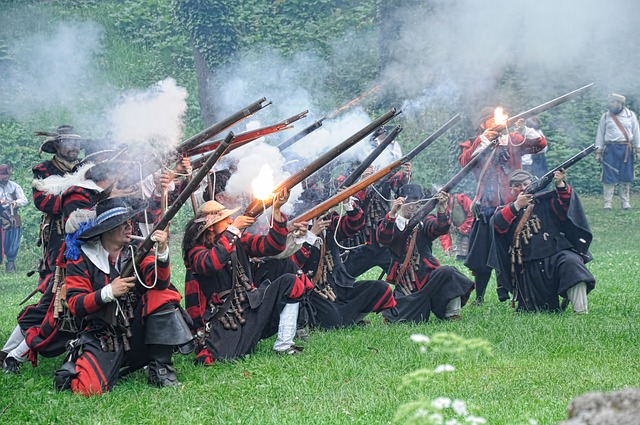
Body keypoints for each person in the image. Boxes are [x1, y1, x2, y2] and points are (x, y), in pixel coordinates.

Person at [53, 197, 192, 395]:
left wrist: (161, 251)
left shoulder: (137, 251)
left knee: (164, 295)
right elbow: (76, 304)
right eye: (123, 224)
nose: (130, 227)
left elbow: (159, 282)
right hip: (104, 334)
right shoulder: (82, 258)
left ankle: (161, 369)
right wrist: (109, 292)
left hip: (137, 328)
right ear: (109, 229)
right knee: (88, 388)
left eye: (130, 223)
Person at [183, 189, 313, 365]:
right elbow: (210, 263)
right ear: (211, 226)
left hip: (253, 305)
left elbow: (272, 246)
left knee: (291, 282)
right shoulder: (196, 251)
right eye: (225, 219)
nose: (230, 220)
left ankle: (284, 344)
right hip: (227, 318)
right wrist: (234, 229)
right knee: (222, 358)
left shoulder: (237, 239)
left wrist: (276, 210)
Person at [459, 107, 547, 305]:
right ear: (483, 125)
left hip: (512, 207)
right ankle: (480, 298)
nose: (497, 122)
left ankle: (521, 292)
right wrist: (484, 141)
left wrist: (524, 130)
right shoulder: (476, 143)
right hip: (486, 207)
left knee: (518, 251)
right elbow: (464, 163)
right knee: (482, 256)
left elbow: (540, 144)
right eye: (491, 120)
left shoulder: (513, 139)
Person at [489, 169, 595, 313]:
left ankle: (581, 312)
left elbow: (566, 207)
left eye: (525, 184)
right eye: (517, 185)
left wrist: (560, 184)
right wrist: (517, 205)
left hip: (556, 254)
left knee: (573, 265)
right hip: (528, 264)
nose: (521, 188)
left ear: (532, 184)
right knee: (536, 310)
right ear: (511, 189)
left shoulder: (546, 201)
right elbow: (497, 225)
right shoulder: (507, 209)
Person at [290, 196, 396, 330]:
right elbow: (295, 263)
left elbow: (355, 224)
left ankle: (351, 318)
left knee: (381, 288)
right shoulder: (296, 228)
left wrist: (346, 202)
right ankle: (347, 319)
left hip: (338, 286)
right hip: (315, 292)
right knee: (333, 319)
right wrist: (311, 235)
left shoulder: (330, 220)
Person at [377, 184, 474, 322]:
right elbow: (383, 239)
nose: (412, 206)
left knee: (449, 273)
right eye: (408, 202)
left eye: (416, 202)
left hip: (427, 273)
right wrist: (392, 214)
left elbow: (440, 228)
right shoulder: (391, 222)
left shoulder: (424, 221)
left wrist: (441, 208)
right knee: (400, 315)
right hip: (405, 280)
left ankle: (452, 313)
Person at [342, 163, 412, 278]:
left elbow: (399, 188)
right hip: (361, 242)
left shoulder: (384, 177)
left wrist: (405, 175)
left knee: (402, 276)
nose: (371, 167)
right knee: (344, 277)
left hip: (383, 238)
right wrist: (362, 182)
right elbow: (352, 204)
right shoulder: (352, 179)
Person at [33, 125, 85, 278]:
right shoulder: (44, 169)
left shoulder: (86, 167)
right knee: (56, 271)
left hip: (86, 226)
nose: (74, 147)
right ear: (57, 145)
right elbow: (42, 201)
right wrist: (76, 200)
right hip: (59, 229)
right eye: (69, 143)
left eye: (76, 143)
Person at [594, 93, 640, 210]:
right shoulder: (605, 117)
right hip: (610, 149)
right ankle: (607, 203)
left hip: (626, 149)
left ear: (620, 103)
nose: (611, 104)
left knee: (626, 176)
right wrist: (598, 151)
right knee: (608, 176)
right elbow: (600, 134)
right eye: (611, 102)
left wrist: (638, 149)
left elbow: (636, 133)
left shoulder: (630, 116)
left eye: (614, 102)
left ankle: (625, 202)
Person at [0, 164, 28, 273]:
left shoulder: (14, 186)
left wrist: (15, 203)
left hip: (12, 217)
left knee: (13, 242)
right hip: (0, 218)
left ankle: (10, 268)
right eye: (2, 177)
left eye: (5, 177)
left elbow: (24, 200)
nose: (3, 179)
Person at [438, 191, 473, 261]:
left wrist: (463, 228)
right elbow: (443, 229)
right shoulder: (442, 208)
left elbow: (472, 213)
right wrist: (447, 247)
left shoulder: (461, 198)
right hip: (461, 235)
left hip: (473, 231)